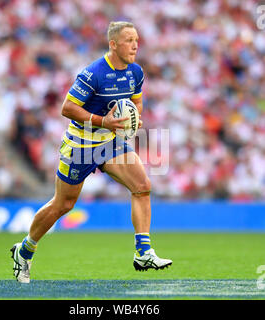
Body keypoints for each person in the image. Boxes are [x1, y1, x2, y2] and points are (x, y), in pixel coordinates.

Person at [10, 21, 172, 283]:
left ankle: (143, 252)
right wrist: (104, 121)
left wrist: (135, 118)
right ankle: (24, 250)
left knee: (142, 185)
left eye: (137, 39)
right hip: (81, 144)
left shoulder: (136, 72)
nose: (135, 45)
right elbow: (68, 108)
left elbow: (137, 100)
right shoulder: (93, 73)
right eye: (129, 40)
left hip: (109, 142)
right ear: (113, 44)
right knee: (63, 204)